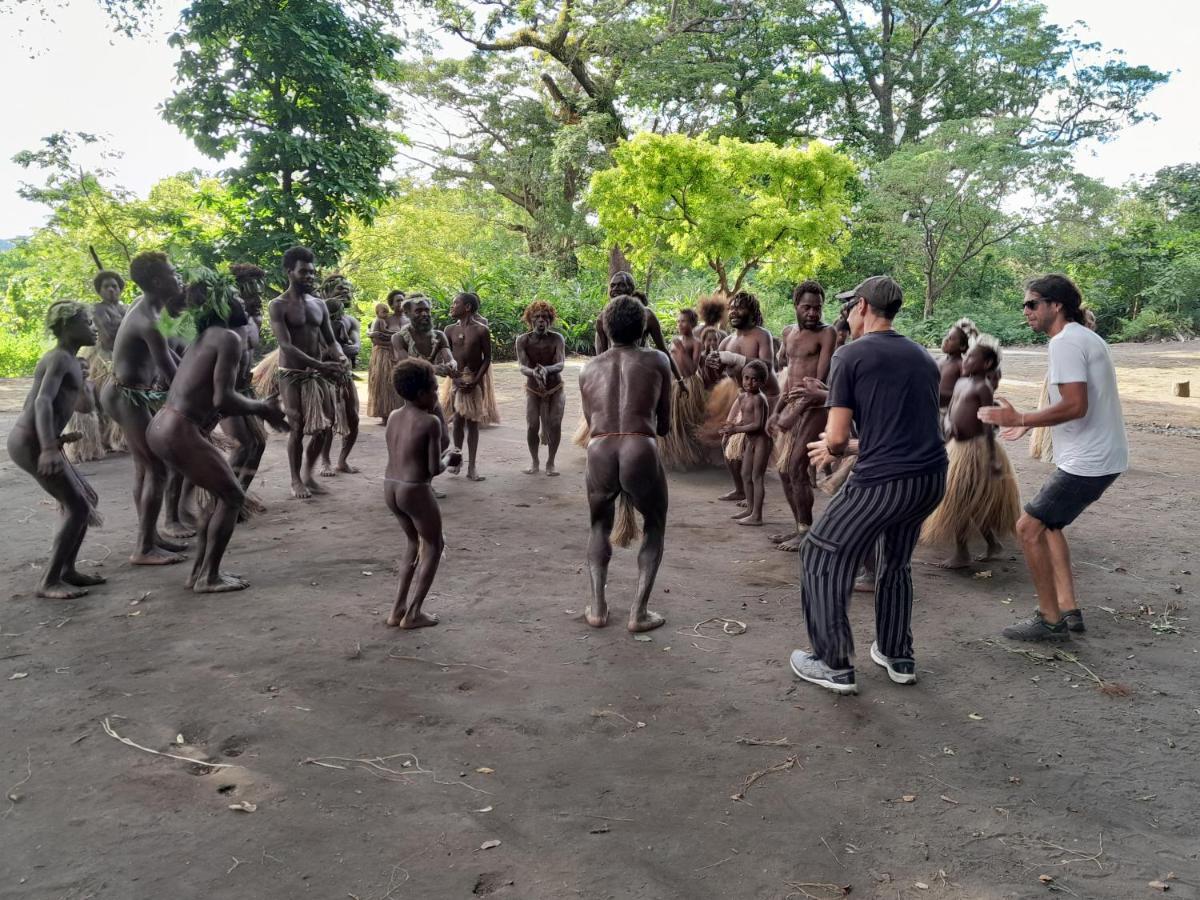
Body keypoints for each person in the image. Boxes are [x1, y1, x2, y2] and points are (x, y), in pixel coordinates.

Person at [794, 276, 947, 695]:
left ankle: (832, 662)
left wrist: (832, 448)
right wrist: (850, 444)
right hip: (931, 478)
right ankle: (898, 655)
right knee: (895, 561)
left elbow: (838, 438)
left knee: (820, 553)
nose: (845, 314)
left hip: (884, 481)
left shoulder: (850, 356)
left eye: (849, 306)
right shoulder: (921, 356)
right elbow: (909, 430)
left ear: (862, 306)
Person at [979, 275, 1127, 641]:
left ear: (1055, 305)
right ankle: (1067, 607)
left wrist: (1022, 419)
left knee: (1028, 527)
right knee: (1052, 526)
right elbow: (1075, 403)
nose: (1025, 311)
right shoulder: (1085, 338)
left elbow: (1076, 405)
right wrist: (1030, 424)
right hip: (1101, 457)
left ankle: (1049, 621)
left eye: (1031, 304)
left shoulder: (1064, 342)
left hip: (1089, 462)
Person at [147, 279, 288, 593]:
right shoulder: (226, 337)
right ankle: (209, 577)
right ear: (221, 305)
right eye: (235, 296)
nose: (241, 299)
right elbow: (222, 398)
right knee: (232, 497)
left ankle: (199, 573)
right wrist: (262, 408)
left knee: (219, 495)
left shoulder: (206, 336)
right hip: (178, 429)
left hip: (162, 425)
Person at [579, 294, 672, 633]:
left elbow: (591, 422)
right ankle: (639, 612)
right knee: (655, 525)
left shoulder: (589, 368)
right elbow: (664, 425)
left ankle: (598, 608)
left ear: (605, 327)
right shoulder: (658, 359)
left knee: (598, 527)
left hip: (599, 450)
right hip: (640, 446)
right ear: (644, 326)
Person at [7, 301, 106, 598]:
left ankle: (67, 570)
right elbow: (41, 402)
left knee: (87, 498)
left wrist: (84, 383)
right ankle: (49, 581)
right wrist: (49, 447)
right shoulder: (59, 359)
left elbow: (85, 407)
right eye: (87, 322)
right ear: (67, 327)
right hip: (31, 442)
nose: (94, 328)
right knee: (76, 506)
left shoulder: (72, 363)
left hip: (42, 441)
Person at [101, 251, 191, 565]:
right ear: (156, 281)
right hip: (126, 395)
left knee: (145, 467)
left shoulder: (157, 311)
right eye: (172, 272)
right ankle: (143, 548)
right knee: (158, 467)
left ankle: (150, 536)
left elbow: (175, 357)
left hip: (130, 393)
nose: (177, 276)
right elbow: (173, 374)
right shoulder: (149, 321)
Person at [920, 334, 1020, 568]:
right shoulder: (961, 382)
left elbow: (987, 422)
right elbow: (952, 409)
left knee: (960, 499)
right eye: (967, 356)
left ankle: (962, 552)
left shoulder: (983, 387)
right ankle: (991, 544)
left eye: (972, 357)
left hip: (976, 450)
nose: (966, 360)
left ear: (986, 364)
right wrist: (947, 429)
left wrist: (992, 458)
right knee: (968, 500)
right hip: (956, 445)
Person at [382, 359, 462, 629]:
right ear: (421, 394)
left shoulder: (393, 416)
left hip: (391, 486)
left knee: (412, 544)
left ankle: (396, 610)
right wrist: (449, 459)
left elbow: (404, 455)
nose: (437, 396)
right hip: (414, 490)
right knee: (435, 545)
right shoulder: (429, 422)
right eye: (434, 391)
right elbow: (431, 469)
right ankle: (414, 612)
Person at [267, 246, 350, 500]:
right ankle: (295, 480)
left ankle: (308, 474)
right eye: (304, 272)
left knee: (325, 426)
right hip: (291, 374)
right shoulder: (277, 305)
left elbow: (330, 340)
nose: (310, 277)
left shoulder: (319, 305)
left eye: (312, 272)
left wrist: (340, 356)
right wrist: (321, 365)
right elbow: (286, 345)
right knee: (297, 425)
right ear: (289, 272)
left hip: (317, 374)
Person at [769, 281, 836, 550]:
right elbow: (789, 380)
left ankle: (806, 532)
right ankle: (799, 526)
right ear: (796, 306)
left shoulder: (826, 333)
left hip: (816, 407)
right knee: (784, 471)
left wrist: (792, 414)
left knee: (796, 466)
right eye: (807, 307)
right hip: (793, 403)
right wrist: (776, 411)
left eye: (817, 308)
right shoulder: (788, 334)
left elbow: (817, 383)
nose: (813, 313)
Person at [704, 291, 779, 502]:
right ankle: (740, 489)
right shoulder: (725, 342)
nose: (734, 311)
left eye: (740, 307)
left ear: (752, 312)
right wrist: (711, 364)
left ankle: (754, 497)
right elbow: (714, 376)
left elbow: (766, 366)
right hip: (742, 397)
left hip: (766, 397)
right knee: (728, 440)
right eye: (732, 307)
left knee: (754, 447)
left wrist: (734, 358)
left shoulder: (761, 335)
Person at [220, 263, 270, 516]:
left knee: (258, 444)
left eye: (260, 292)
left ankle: (239, 496)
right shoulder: (226, 317)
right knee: (242, 445)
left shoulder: (256, 319)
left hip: (245, 388)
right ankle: (222, 501)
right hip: (224, 389)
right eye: (251, 292)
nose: (257, 297)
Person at [440, 291, 498, 481]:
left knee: (473, 422)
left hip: (473, 380)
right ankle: (457, 459)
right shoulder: (448, 330)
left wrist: (475, 381)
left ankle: (472, 466)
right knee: (457, 420)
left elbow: (487, 358)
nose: (451, 306)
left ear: (467, 307)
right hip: (456, 379)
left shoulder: (481, 330)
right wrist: (454, 379)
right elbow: (445, 356)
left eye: (455, 303)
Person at [516, 300, 567, 476]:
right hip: (533, 389)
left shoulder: (557, 339)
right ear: (530, 320)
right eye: (536, 317)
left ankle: (551, 462)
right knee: (532, 425)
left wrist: (547, 370)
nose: (540, 321)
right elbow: (522, 367)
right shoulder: (522, 340)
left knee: (555, 423)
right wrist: (534, 373)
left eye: (544, 317)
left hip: (555, 388)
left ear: (550, 320)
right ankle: (535, 461)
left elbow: (560, 364)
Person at [720, 359, 772, 526]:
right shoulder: (742, 397)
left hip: (762, 441)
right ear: (742, 378)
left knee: (757, 477)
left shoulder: (759, 399)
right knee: (745, 474)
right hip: (751, 441)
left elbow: (758, 424)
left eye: (754, 379)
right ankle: (750, 509)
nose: (749, 382)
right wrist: (731, 427)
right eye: (746, 378)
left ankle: (757, 515)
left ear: (763, 381)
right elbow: (744, 421)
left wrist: (736, 430)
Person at [659, 307, 708, 470]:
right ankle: (673, 452)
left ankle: (692, 454)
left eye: (684, 321)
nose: (680, 324)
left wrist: (681, 350)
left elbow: (693, 369)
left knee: (686, 421)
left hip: (688, 384)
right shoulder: (675, 340)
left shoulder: (696, 343)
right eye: (678, 321)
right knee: (671, 419)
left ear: (693, 324)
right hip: (673, 382)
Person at [318, 292, 361, 476]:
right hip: (324, 377)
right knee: (328, 420)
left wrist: (345, 349)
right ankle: (325, 460)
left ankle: (342, 460)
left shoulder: (350, 321)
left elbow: (355, 346)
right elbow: (319, 353)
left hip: (345, 377)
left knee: (354, 419)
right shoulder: (317, 325)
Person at [367, 290, 405, 425]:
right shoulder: (384, 318)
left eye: (402, 300)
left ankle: (402, 413)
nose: (401, 303)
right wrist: (393, 343)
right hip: (384, 355)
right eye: (397, 301)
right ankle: (386, 415)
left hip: (403, 355)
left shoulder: (409, 319)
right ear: (392, 305)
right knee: (386, 384)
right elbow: (374, 339)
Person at [937, 318, 978, 409]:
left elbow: (964, 392)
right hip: (931, 406)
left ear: (962, 346)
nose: (945, 340)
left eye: (950, 338)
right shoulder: (938, 360)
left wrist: (937, 394)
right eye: (947, 336)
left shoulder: (962, 365)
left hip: (948, 411)